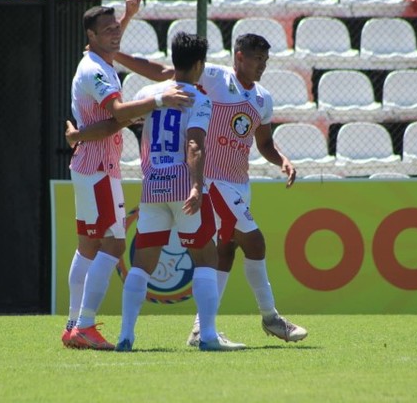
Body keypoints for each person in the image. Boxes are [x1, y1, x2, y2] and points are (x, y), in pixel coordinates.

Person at [114, 33, 308, 346]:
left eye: (266, 60)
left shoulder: (263, 99)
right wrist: (119, 56)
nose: (262, 66)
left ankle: (199, 330)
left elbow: (265, 143)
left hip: (238, 184)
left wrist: (282, 159)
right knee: (255, 243)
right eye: (257, 59)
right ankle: (271, 317)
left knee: (226, 251)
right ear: (239, 56)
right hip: (211, 181)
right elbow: (168, 72)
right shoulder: (216, 79)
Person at [62, 0, 193, 350]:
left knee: (88, 246)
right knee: (115, 244)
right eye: (108, 31)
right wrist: (159, 101)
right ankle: (85, 324)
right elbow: (117, 113)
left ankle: (73, 324)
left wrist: (127, 17)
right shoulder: (97, 71)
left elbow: (112, 117)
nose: (115, 35)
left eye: (117, 29)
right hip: (101, 168)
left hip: (89, 164)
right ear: (90, 35)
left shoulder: (95, 60)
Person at [115, 32, 245, 352]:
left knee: (143, 263)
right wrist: (198, 185)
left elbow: (123, 116)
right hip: (182, 186)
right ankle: (209, 336)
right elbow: (194, 145)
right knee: (206, 258)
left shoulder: (149, 91)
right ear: (199, 64)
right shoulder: (199, 99)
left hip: (152, 186)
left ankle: (125, 335)